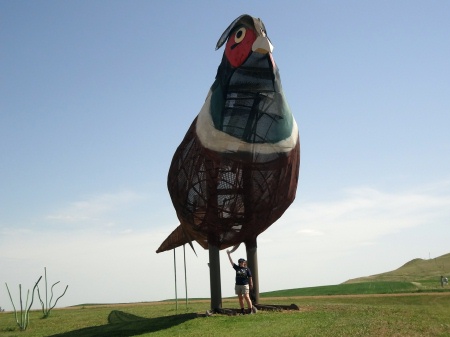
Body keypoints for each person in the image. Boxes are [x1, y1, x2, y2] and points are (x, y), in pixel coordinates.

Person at [226, 250, 256, 314]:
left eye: (243, 262)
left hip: (245, 285)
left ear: (244, 262)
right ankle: (242, 310)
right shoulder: (237, 268)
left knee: (246, 296)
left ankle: (250, 310)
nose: (242, 263)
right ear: (239, 263)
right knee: (240, 298)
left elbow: (250, 277)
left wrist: (251, 284)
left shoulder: (247, 269)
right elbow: (231, 262)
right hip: (238, 285)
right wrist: (228, 255)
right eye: (241, 262)